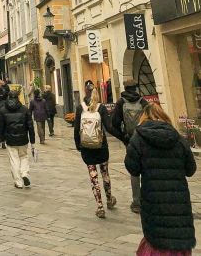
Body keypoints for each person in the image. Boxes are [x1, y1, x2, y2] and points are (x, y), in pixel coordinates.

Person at [125, 102, 196, 255]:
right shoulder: (178, 138)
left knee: (157, 241)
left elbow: (133, 169)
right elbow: (191, 170)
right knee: (178, 240)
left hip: (153, 200)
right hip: (179, 201)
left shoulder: (138, 139)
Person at [74, 88, 118, 218]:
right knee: (105, 174)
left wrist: (78, 145)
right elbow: (109, 127)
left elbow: (77, 129)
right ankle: (109, 199)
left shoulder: (79, 108)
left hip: (87, 147)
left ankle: (100, 207)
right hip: (101, 147)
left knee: (94, 177)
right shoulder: (101, 108)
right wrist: (122, 136)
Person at [111, 78, 148, 213]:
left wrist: (123, 137)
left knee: (134, 170)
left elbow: (114, 123)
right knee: (147, 168)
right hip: (144, 138)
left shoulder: (121, 102)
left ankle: (136, 202)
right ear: (135, 88)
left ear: (125, 88)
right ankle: (147, 199)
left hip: (130, 140)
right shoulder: (143, 102)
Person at [0, 88, 35, 188]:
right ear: (18, 97)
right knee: (23, 156)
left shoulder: (3, 110)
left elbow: (1, 126)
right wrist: (32, 140)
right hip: (23, 138)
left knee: (14, 160)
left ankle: (18, 182)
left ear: (8, 97)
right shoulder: (24, 109)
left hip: (10, 139)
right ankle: (24, 173)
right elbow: (30, 126)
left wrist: (1, 138)